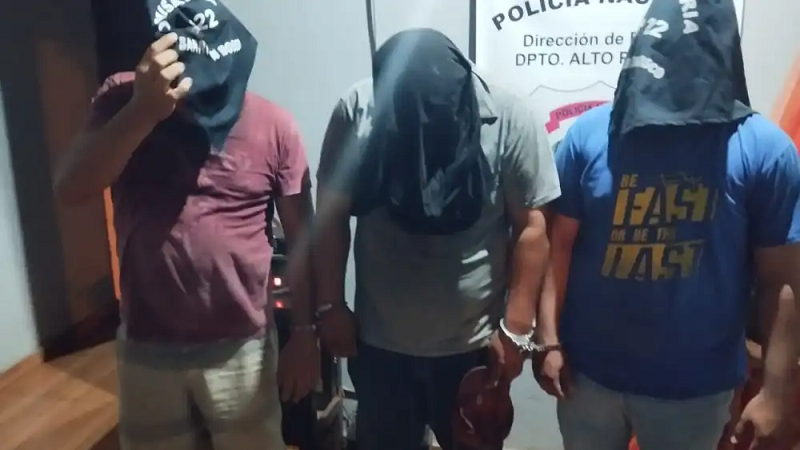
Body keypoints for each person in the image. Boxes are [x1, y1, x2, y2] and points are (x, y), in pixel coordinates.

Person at [534, 1, 800, 450]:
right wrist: (548, 341)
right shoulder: (592, 135)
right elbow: (557, 245)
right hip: (589, 379)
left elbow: (783, 281)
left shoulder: (763, 150)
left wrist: (777, 393)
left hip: (696, 390)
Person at [53, 2, 317, 449]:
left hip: (241, 347)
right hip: (147, 345)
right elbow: (71, 188)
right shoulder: (122, 98)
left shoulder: (273, 125)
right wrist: (143, 110)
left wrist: (306, 335)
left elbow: (303, 238)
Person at [312, 29, 560, 450]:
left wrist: (517, 328)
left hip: (475, 347)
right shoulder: (361, 109)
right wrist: (329, 306)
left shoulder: (508, 117)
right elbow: (331, 215)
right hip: (380, 345)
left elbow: (533, 227)